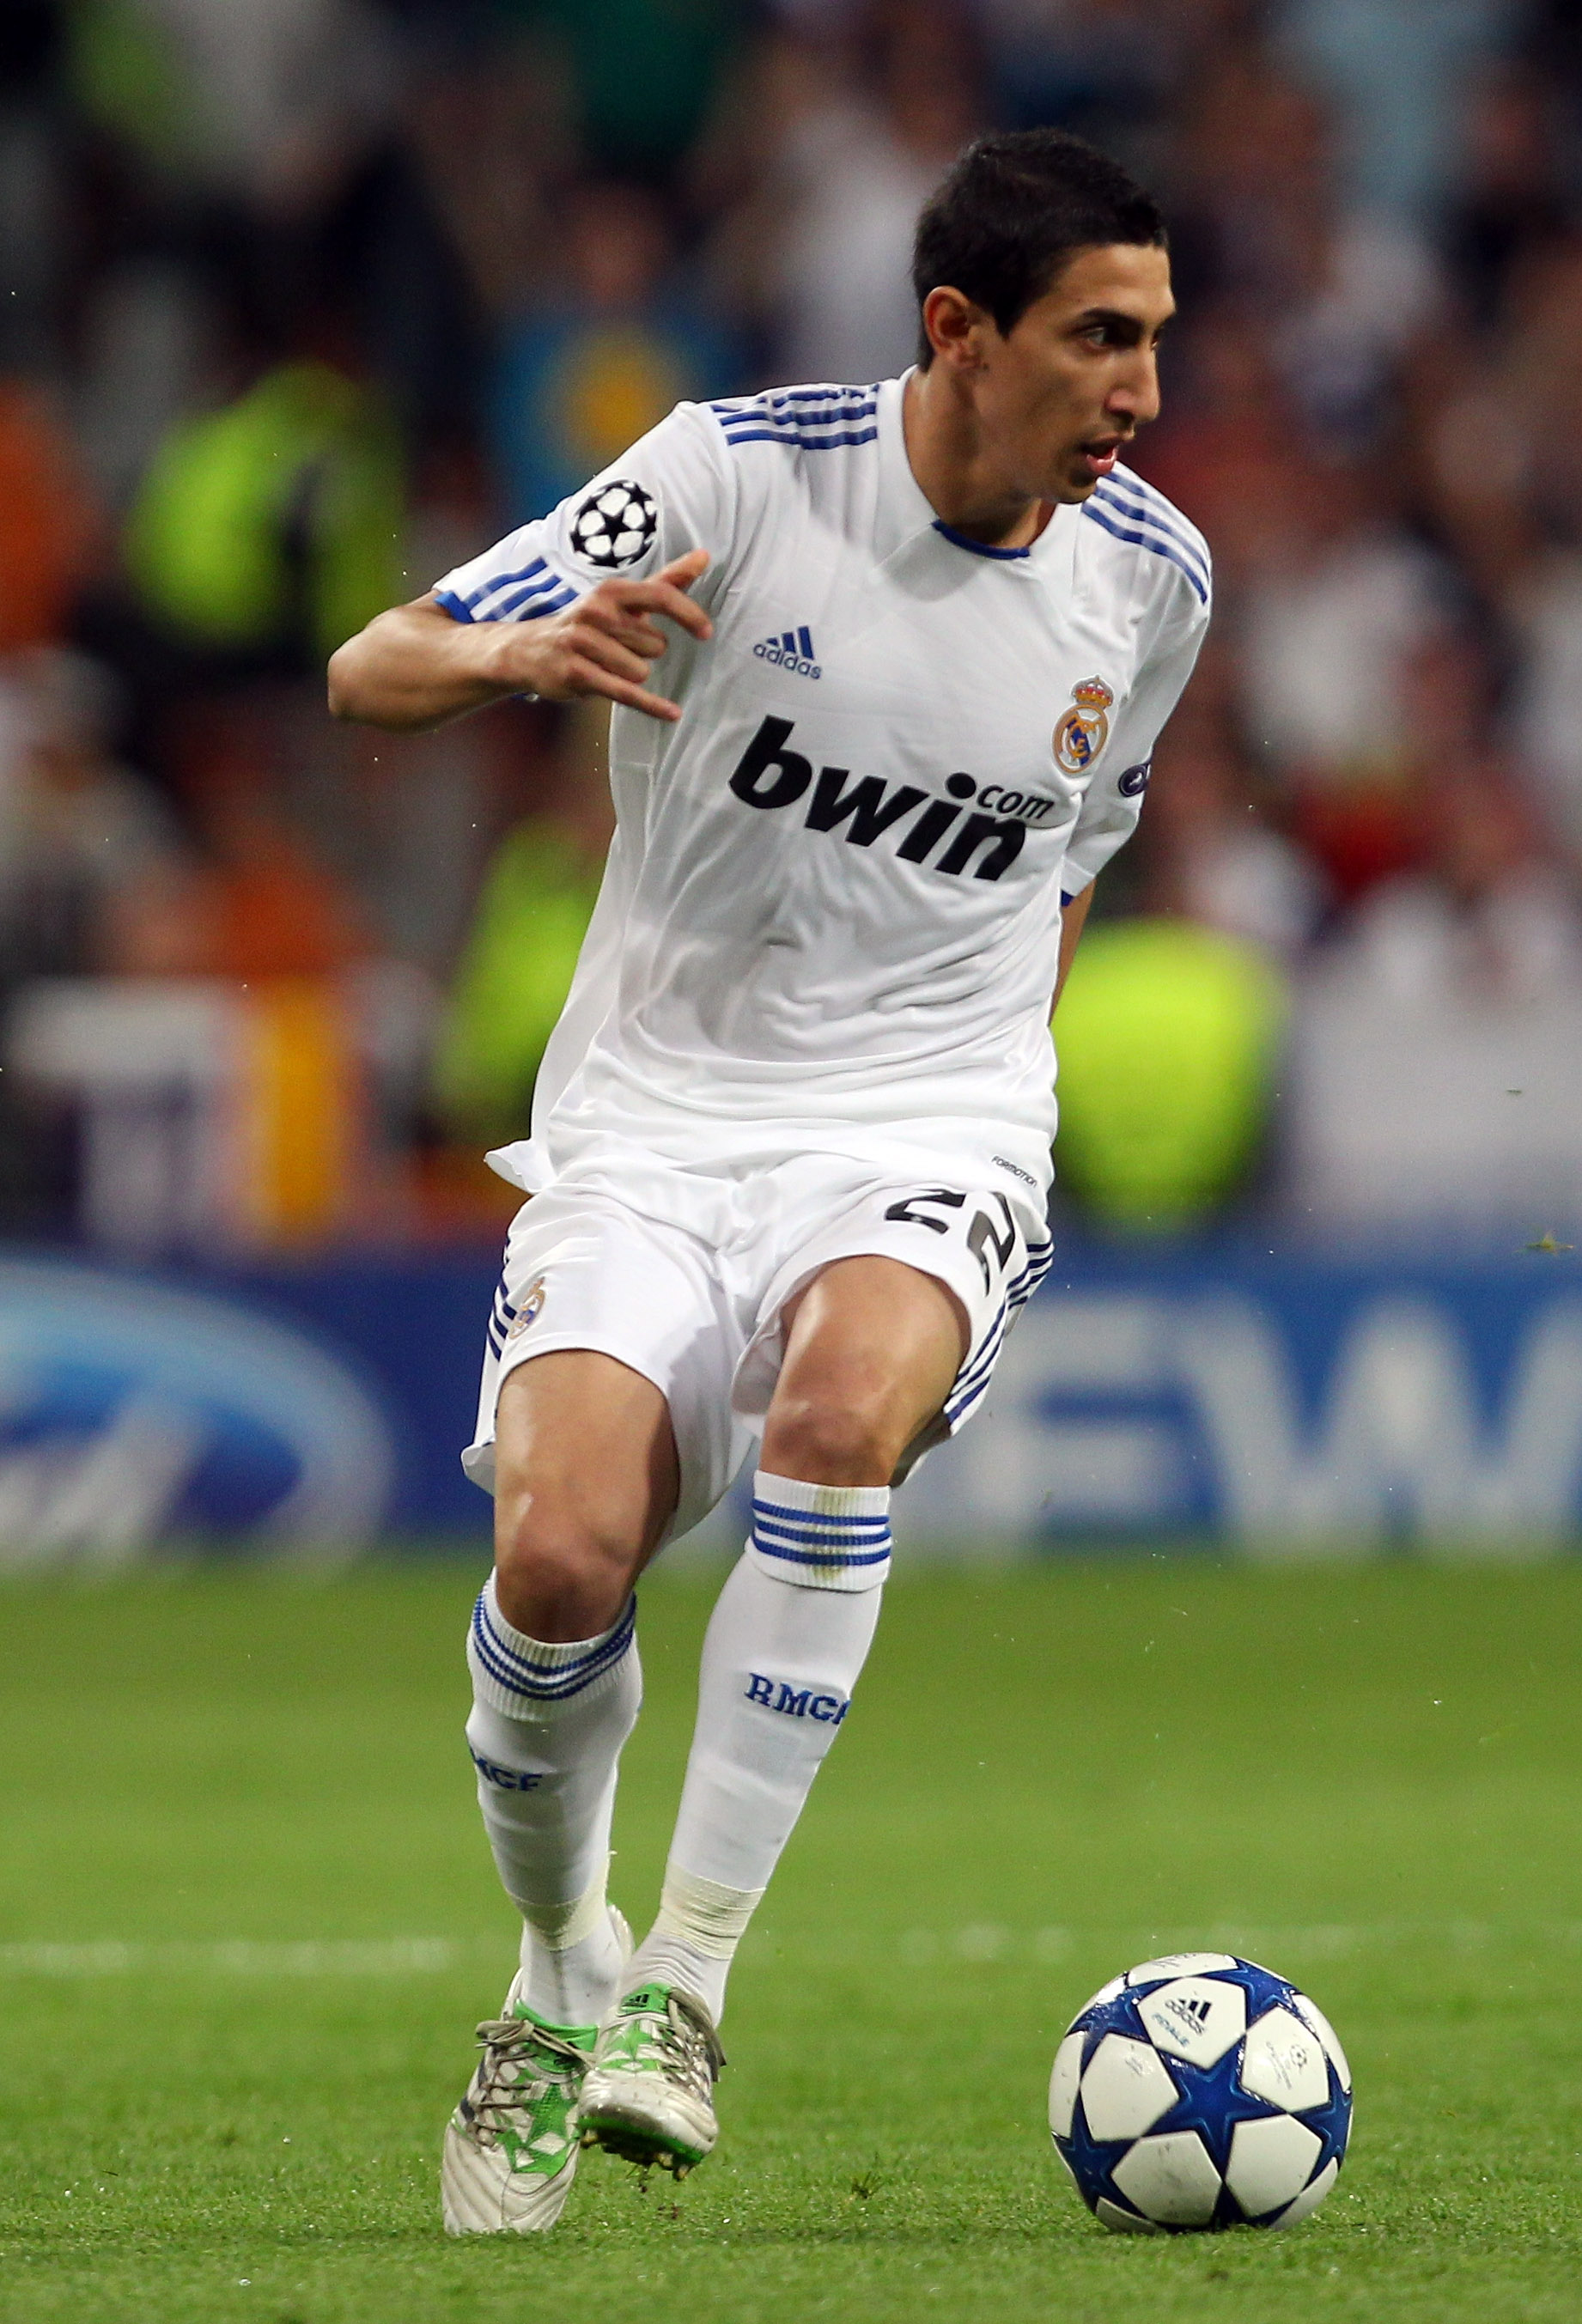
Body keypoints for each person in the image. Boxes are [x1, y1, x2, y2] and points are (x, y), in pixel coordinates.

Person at [327, 126, 1208, 2235]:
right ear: (959, 331)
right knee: (561, 1565)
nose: (1144, 390)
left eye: (1157, 338)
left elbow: (1073, 858)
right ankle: (564, 1966)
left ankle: (688, 1987)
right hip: (655, 1119)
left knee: (834, 1424)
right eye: (1101, 339)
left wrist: (989, 1090)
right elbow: (374, 663)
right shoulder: (731, 476)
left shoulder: (1154, 579)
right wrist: (517, 656)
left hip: (929, 1121)